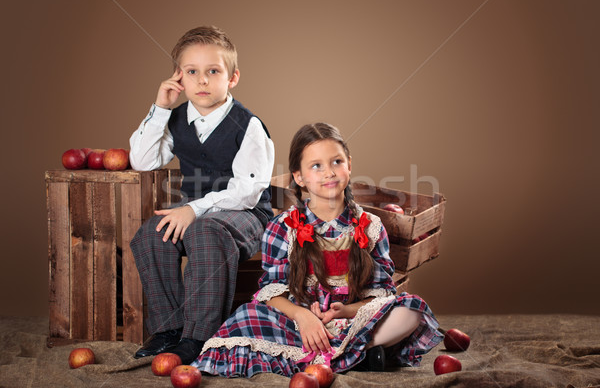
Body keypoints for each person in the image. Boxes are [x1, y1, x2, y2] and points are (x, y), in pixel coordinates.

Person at [192, 123, 442, 377]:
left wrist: (344, 311)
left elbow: (379, 294)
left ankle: (336, 352)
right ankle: (357, 355)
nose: (329, 173)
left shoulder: (370, 226)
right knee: (246, 315)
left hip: (351, 321)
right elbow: (271, 292)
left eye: (336, 162)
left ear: (349, 165)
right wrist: (303, 317)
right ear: (299, 177)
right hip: (297, 324)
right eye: (316, 166)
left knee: (409, 312)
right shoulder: (283, 227)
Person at [128, 26, 274, 365]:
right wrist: (161, 107)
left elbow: (248, 191)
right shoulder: (176, 119)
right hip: (195, 212)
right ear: (180, 78)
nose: (203, 81)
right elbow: (142, 160)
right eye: (192, 72)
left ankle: (198, 336)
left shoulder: (248, 125)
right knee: (153, 233)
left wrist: (193, 210)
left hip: (247, 215)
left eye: (213, 71)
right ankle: (169, 329)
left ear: (232, 77)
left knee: (206, 231)